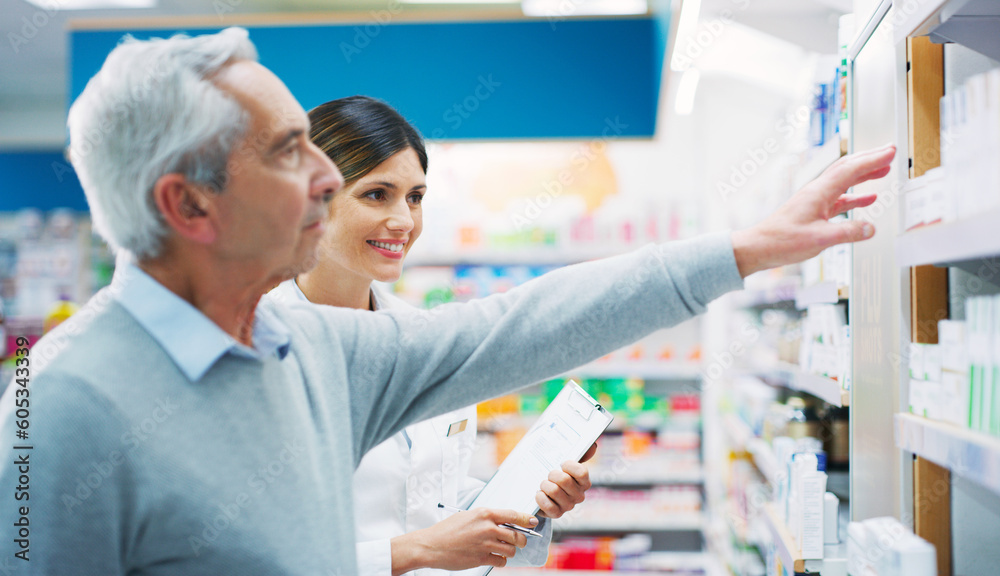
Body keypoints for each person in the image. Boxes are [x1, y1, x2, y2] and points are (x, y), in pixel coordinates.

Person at [0, 27, 894, 576]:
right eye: (288, 152)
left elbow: (521, 323)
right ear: (188, 204)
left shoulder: (303, 349)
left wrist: (748, 248)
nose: (325, 179)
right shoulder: (52, 412)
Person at [270, 95, 594, 575]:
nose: (404, 221)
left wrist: (529, 498)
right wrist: (413, 552)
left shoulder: (430, 339)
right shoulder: (251, 351)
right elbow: (230, 556)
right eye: (376, 194)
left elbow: (434, 502)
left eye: (415, 197)